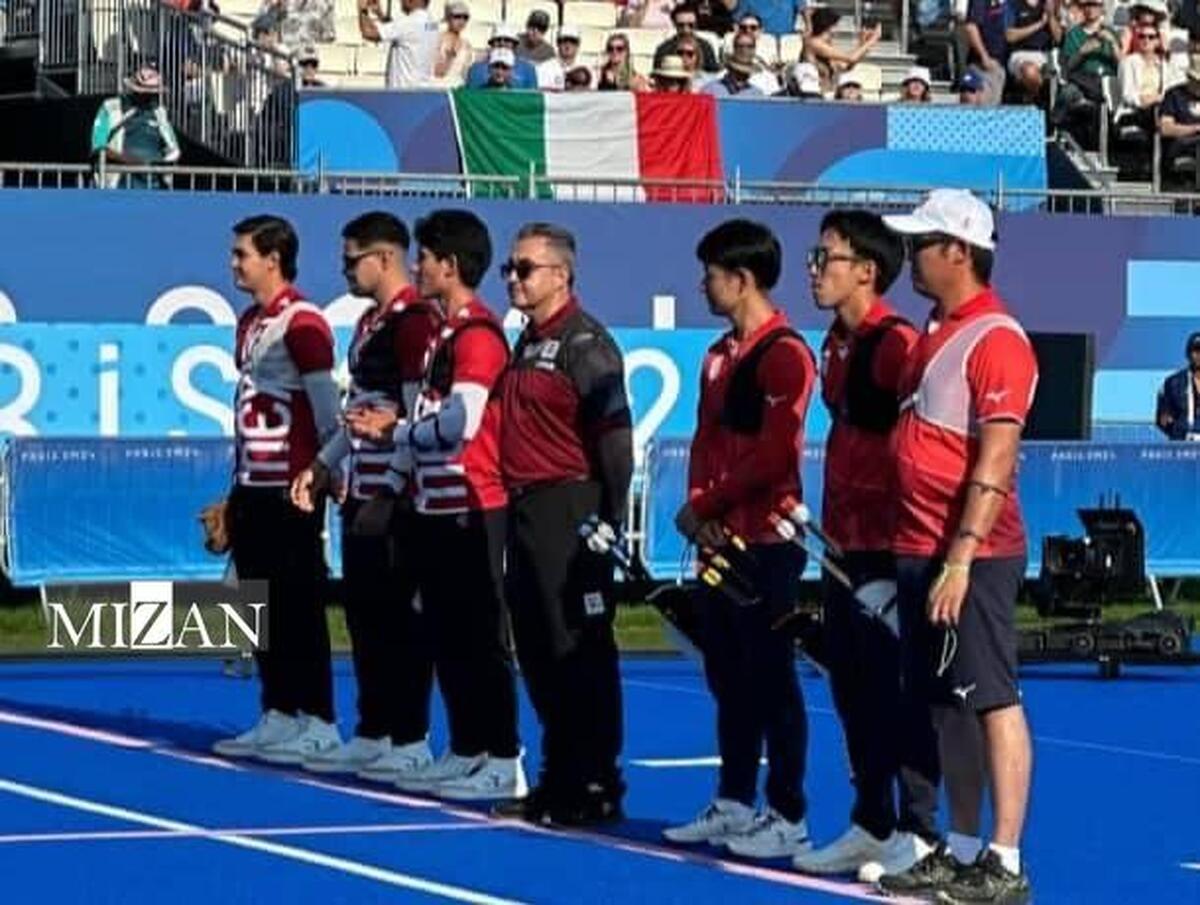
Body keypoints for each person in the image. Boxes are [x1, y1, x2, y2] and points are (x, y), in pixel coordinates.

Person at [876, 189, 1037, 903]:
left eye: (922, 243)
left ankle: (1004, 860)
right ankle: (965, 845)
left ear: (959, 252)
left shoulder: (996, 338)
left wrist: (962, 557)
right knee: (947, 704)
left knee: (992, 697)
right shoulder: (936, 330)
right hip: (922, 547)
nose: (911, 256)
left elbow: (996, 458)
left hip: (974, 556)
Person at [665, 220, 817, 860]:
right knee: (727, 675)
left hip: (767, 541)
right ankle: (733, 800)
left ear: (742, 279)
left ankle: (787, 811)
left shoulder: (784, 353)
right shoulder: (716, 355)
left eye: (711, 275)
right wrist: (702, 516)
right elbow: (707, 444)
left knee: (772, 677)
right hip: (719, 539)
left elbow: (775, 454)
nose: (703, 285)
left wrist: (707, 504)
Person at [792, 211, 937, 880]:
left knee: (898, 689)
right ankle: (872, 822)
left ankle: (920, 831)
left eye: (827, 257)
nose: (815, 269)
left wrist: (910, 548)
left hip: (890, 546)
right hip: (844, 543)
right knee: (851, 686)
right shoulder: (835, 342)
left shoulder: (897, 345)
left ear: (867, 271)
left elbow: (925, 446)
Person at [374, 209, 525, 800]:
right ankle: (466, 746)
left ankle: (505, 757)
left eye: (426, 258)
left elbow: (462, 422)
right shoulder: (443, 331)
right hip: (435, 505)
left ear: (451, 265)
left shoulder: (478, 334)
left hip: (473, 502)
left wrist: (396, 433)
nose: (417, 267)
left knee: (481, 635)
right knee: (446, 633)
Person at [289, 212, 442, 782]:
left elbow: (417, 412)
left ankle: (410, 737)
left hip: (395, 497)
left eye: (352, 260)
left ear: (384, 258)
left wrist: (394, 485)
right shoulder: (369, 322)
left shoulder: (414, 322)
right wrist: (322, 465)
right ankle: (374, 729)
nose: (345, 270)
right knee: (365, 615)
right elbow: (357, 414)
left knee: (399, 618)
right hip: (360, 489)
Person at [492, 223, 634, 827]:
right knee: (537, 644)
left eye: (524, 268)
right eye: (510, 268)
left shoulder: (585, 343)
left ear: (560, 275)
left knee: (576, 644)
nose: (513, 279)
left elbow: (616, 439)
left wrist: (610, 517)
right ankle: (559, 774)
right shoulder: (528, 342)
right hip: (527, 506)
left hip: (570, 503)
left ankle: (595, 779)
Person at [210, 215, 342, 764]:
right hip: (253, 483)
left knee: (298, 605)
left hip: (292, 488)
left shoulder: (303, 322)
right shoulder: (250, 322)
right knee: (257, 604)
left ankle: (319, 719)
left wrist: (326, 471)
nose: (233, 263)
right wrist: (235, 488)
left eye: (242, 254)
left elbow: (327, 411)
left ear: (273, 259)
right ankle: (279, 711)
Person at [89, 66, 181, 189]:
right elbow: (98, 147)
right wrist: (134, 162)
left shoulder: (159, 112)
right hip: (118, 185)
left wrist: (164, 163)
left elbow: (173, 148)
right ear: (135, 90)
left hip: (154, 186)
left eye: (154, 94)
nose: (151, 97)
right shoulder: (110, 108)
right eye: (146, 94)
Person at [357, 0, 439, 88]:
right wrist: (380, 14)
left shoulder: (409, 23)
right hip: (422, 89)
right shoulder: (432, 24)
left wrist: (362, 9)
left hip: (403, 91)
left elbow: (368, 33)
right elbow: (403, 33)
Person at [1155, 331, 1200, 440]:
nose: (1199, 355)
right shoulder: (1173, 383)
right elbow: (1162, 420)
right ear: (1188, 354)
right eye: (1196, 350)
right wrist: (1180, 433)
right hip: (1183, 444)